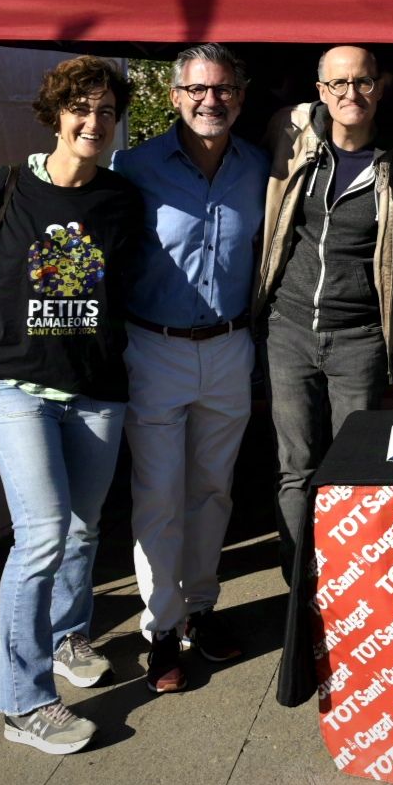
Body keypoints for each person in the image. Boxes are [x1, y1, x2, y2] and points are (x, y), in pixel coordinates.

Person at [0, 56, 144, 755]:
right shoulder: (2, 189)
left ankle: (68, 636)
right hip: (17, 386)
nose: (93, 122)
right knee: (40, 535)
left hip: (95, 388)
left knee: (85, 527)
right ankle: (23, 700)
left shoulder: (123, 200)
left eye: (105, 111)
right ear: (55, 112)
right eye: (81, 108)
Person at [110, 44, 268, 694]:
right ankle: (160, 630)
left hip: (229, 346)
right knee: (158, 496)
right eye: (198, 89)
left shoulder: (260, 166)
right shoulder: (134, 166)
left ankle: (201, 610)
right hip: (155, 348)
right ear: (175, 96)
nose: (212, 100)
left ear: (241, 95)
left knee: (213, 489)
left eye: (225, 88)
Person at [257, 45, 393, 579]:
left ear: (381, 85)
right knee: (295, 468)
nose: (351, 94)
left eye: (363, 82)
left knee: (352, 466)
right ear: (320, 89)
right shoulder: (292, 134)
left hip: (359, 338)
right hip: (288, 330)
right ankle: (299, 586)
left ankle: (348, 584)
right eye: (338, 84)